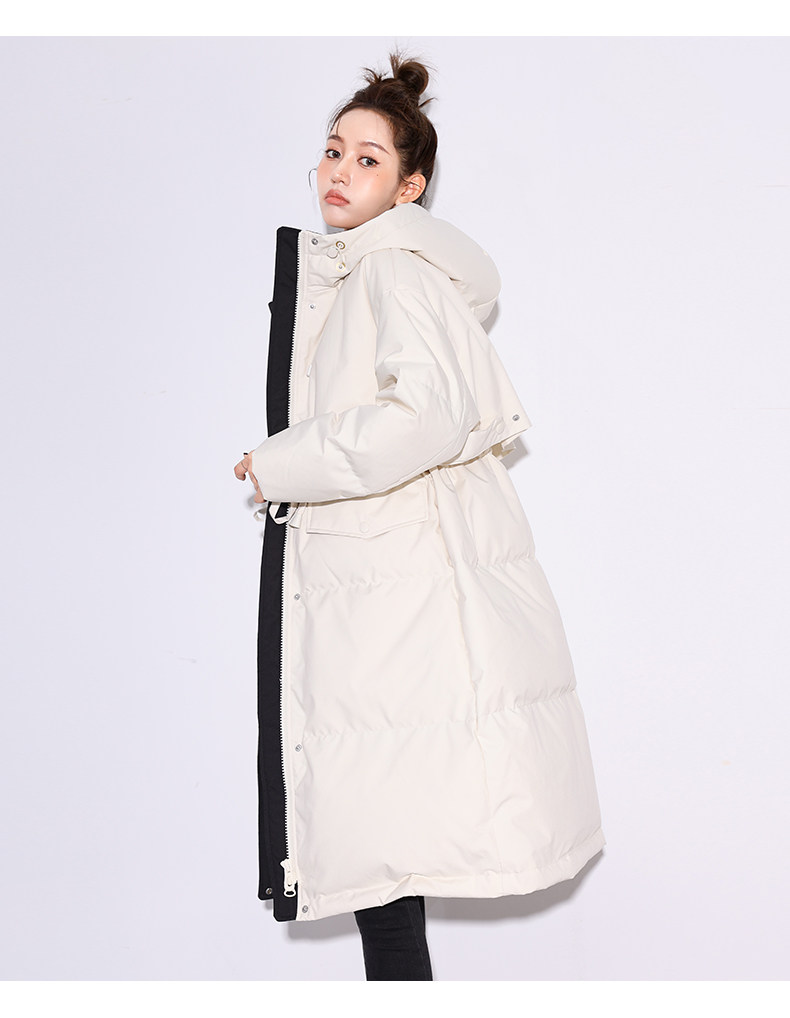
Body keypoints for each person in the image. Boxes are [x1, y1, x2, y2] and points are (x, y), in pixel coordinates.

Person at [234, 52, 605, 982]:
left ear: (410, 187)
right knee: (383, 863)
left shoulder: (390, 271)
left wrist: (280, 463)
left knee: (381, 860)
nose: (338, 171)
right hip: (388, 593)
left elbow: (425, 418)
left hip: (392, 604)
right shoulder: (375, 273)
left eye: (367, 159)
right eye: (332, 150)